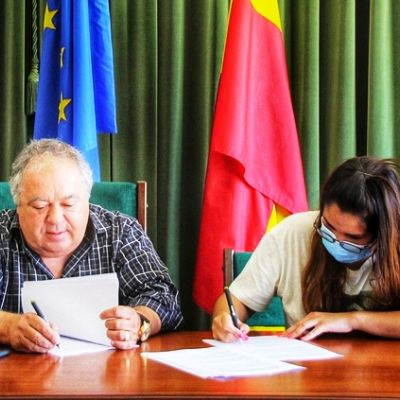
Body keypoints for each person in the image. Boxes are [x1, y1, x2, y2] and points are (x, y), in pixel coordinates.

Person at [0, 139, 183, 353]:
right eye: (40, 206)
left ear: (87, 200)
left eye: (69, 204)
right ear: (18, 205)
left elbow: (164, 297)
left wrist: (139, 321)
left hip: (108, 370)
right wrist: (8, 327)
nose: (55, 219)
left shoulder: (120, 232)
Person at [212, 156, 400, 342]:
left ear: (382, 236)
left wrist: (352, 320)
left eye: (353, 238)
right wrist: (224, 319)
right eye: (329, 227)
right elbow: (237, 300)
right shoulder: (290, 233)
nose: (336, 241)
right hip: (308, 360)